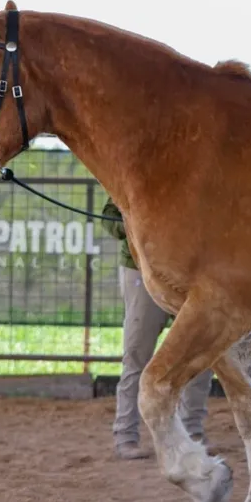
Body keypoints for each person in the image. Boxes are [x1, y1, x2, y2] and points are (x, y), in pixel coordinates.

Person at [101, 195, 214, 460]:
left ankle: (192, 432)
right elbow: (109, 215)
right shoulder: (135, 166)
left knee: (202, 354)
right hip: (143, 269)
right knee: (137, 354)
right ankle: (125, 435)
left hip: (192, 272)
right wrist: (132, 227)